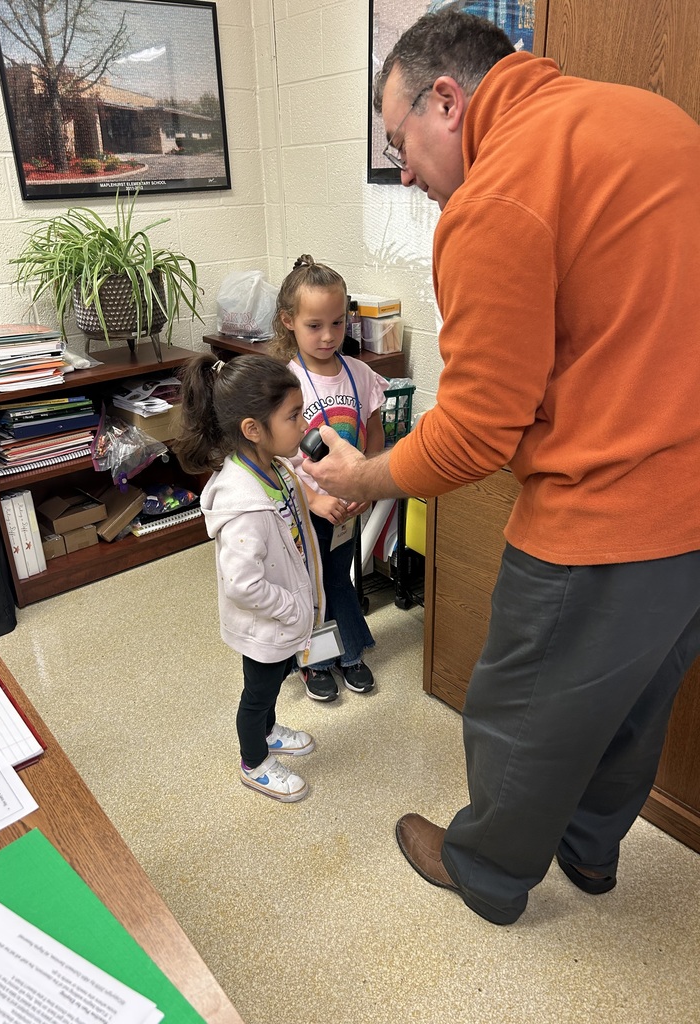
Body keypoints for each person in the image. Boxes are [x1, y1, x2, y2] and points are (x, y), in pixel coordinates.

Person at [307, 7, 700, 923]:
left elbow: (479, 430)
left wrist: (363, 480)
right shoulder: (656, 121)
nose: (403, 169)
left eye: (400, 139)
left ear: (448, 99)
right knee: (638, 702)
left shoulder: (495, 197)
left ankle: (486, 871)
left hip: (602, 512)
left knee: (517, 709)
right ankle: (590, 851)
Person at [174, 352, 324, 803]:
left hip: (283, 617)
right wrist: (294, 606)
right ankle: (253, 762)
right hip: (266, 621)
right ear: (253, 429)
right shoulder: (244, 504)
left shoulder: (273, 467)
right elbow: (243, 584)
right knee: (256, 694)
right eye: (294, 415)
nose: (305, 424)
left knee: (275, 681)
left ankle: (270, 731)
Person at [269, 255, 388, 702]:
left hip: (350, 507)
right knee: (310, 584)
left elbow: (373, 431)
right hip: (306, 506)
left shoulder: (360, 374)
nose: (327, 336)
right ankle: (312, 660)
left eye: (337, 323)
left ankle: (350, 651)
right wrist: (314, 500)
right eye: (315, 325)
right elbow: (276, 457)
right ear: (289, 322)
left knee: (340, 579)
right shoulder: (284, 381)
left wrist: (369, 483)